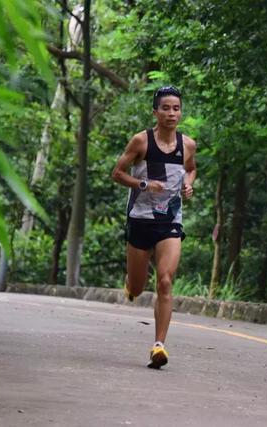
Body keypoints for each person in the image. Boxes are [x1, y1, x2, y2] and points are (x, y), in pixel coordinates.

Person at [111, 85, 197, 369]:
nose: (171, 114)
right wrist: (144, 184)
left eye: (176, 108)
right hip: (140, 218)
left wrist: (188, 184)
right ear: (155, 112)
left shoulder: (188, 145)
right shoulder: (141, 142)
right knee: (137, 285)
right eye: (166, 108)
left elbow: (191, 168)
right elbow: (117, 173)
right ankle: (131, 283)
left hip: (170, 221)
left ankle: (159, 345)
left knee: (165, 281)